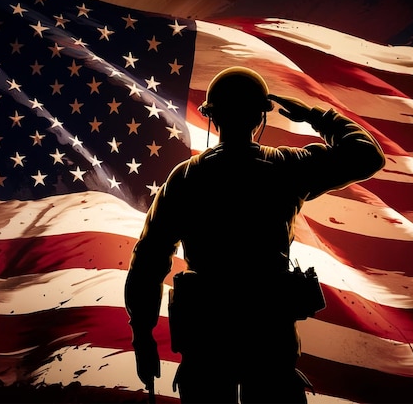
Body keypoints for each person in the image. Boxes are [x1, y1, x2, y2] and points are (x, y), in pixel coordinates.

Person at [124, 66, 385, 403]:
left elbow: (149, 260)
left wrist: (142, 336)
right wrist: (315, 116)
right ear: (259, 117)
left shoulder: (186, 178)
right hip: (268, 335)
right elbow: (366, 155)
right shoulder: (288, 167)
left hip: (208, 337)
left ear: (213, 118)